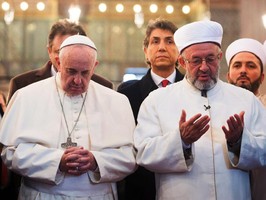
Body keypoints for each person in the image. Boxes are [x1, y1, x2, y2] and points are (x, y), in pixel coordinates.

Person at [133, 20, 266, 199]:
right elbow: (143, 153)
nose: (204, 67)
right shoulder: (157, 101)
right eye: (196, 60)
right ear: (182, 61)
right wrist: (180, 141)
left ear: (219, 58)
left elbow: (263, 151)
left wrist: (240, 142)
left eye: (210, 59)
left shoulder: (246, 100)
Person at [0, 35, 136, 200]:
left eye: (85, 73)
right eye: (71, 71)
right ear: (58, 63)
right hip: (42, 195)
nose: (78, 80)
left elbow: (131, 157)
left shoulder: (117, 101)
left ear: (95, 66)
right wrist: (56, 161)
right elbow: (9, 152)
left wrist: (96, 161)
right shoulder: (26, 96)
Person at [117, 18, 184, 200]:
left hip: (184, 185)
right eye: (155, 41)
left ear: (180, 51)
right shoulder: (127, 94)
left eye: (170, 41)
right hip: (141, 187)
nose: (162, 47)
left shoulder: (193, 90)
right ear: (146, 51)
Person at [7, 18, 113, 103]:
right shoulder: (22, 84)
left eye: (73, 52)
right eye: (59, 51)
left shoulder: (104, 87)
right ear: (49, 51)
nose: (65, 58)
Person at [225, 38, 266, 200]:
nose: (243, 70)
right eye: (237, 65)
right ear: (228, 76)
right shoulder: (214, 106)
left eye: (250, 66)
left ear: (262, 77)